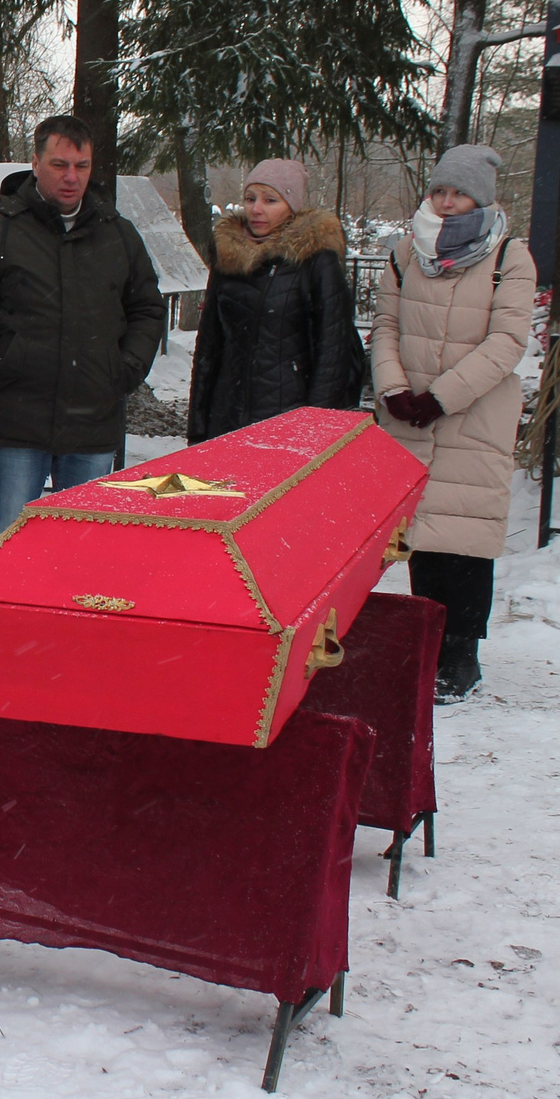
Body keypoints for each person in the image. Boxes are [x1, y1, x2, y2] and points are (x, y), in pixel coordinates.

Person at [0, 115, 164, 543]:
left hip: (92, 422)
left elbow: (147, 308)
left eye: (81, 166)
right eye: (59, 165)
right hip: (17, 421)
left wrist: (123, 369)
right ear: (35, 162)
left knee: (83, 546)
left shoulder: (118, 235)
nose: (71, 177)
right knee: (7, 542)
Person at [372, 142, 535, 704]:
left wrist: (443, 396)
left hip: (474, 414)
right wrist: (393, 388)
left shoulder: (510, 256)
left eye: (458, 193)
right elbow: (386, 325)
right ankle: (427, 647)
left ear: (480, 200)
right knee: (422, 534)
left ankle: (462, 654)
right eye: (439, 190)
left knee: (465, 536)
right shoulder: (406, 251)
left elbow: (508, 341)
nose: (446, 202)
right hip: (411, 415)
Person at [186, 157, 365, 443]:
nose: (256, 209)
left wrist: (314, 430)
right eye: (250, 198)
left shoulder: (316, 261)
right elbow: (209, 346)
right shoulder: (229, 256)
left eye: (270, 200)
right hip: (227, 417)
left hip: (289, 420)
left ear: (291, 206)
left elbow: (333, 353)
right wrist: (198, 427)